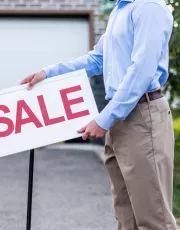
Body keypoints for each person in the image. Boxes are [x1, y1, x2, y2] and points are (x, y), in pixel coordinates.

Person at [21, 0, 175, 229]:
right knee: (126, 215)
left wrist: (105, 118)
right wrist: (49, 73)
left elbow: (142, 70)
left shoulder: (148, 6)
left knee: (153, 217)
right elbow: (97, 59)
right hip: (120, 115)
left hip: (142, 115)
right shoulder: (120, 10)